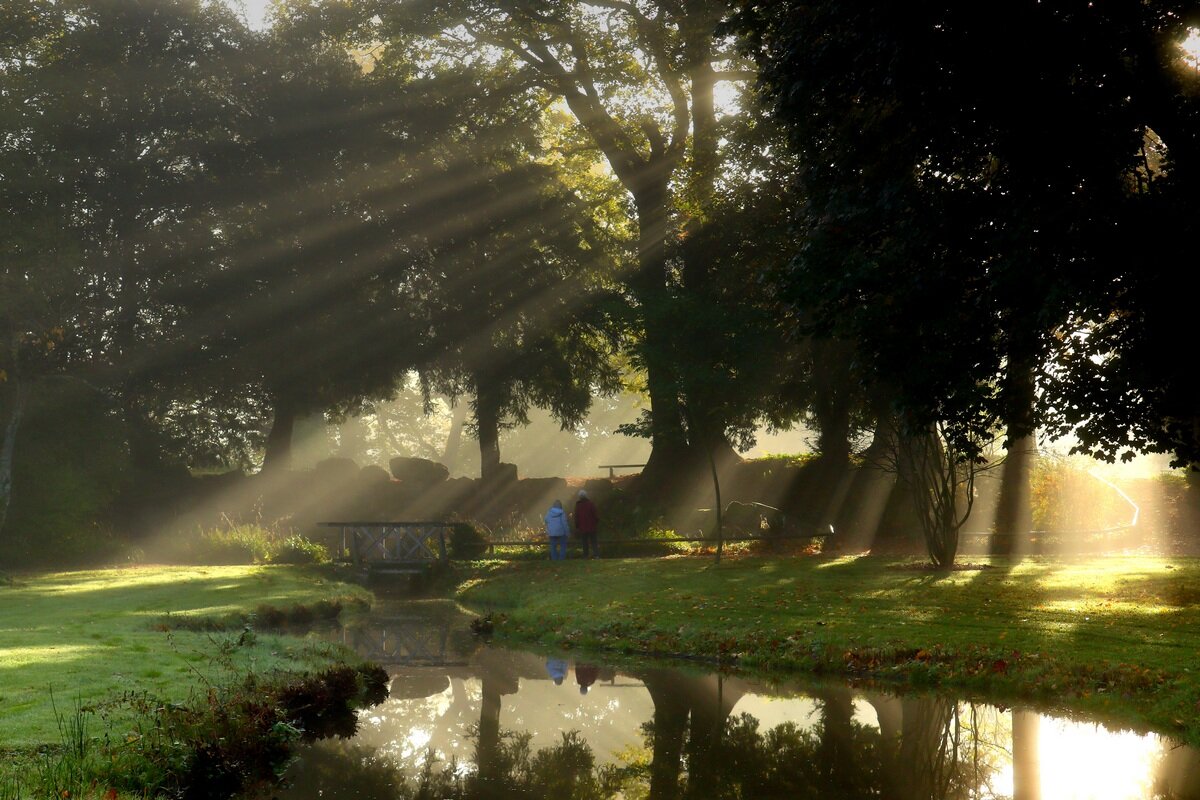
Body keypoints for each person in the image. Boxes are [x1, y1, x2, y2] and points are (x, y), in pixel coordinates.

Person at [573, 489, 599, 559]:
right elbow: (595, 515)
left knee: (584, 542)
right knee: (593, 541)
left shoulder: (578, 505)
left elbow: (576, 517)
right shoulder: (591, 504)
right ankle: (596, 555)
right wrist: (596, 522)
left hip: (583, 527)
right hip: (592, 526)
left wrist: (577, 526)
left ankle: (585, 555)